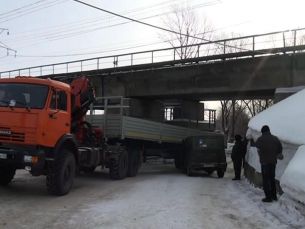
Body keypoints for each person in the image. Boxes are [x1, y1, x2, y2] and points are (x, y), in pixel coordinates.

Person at [256, 125, 283, 203]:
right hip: (273, 162)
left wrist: (261, 155)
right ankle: (274, 196)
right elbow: (280, 148)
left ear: (262, 131)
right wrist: (277, 154)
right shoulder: (275, 138)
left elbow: (257, 148)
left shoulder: (260, 139)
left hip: (264, 162)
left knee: (266, 179)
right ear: (269, 130)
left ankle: (268, 197)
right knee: (272, 179)